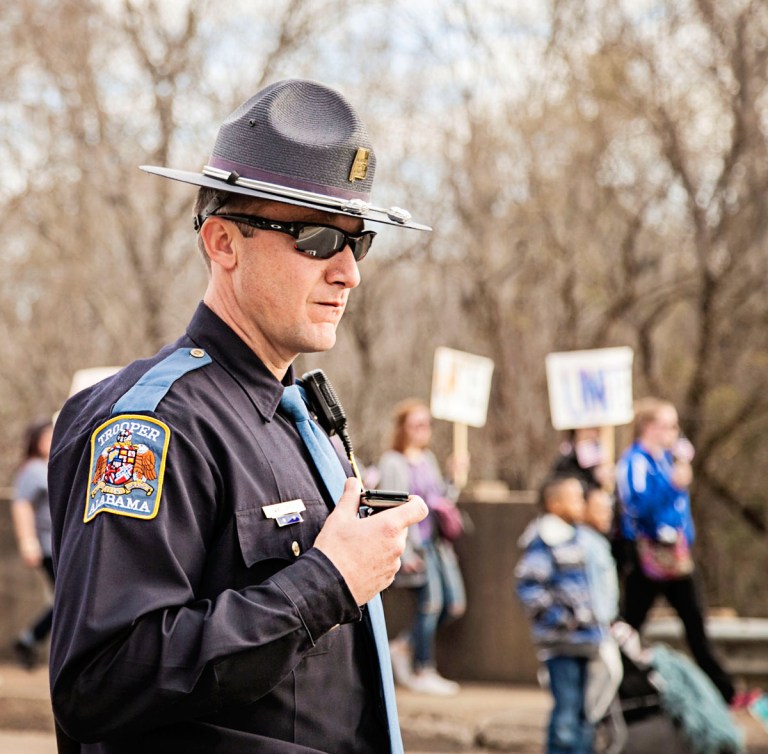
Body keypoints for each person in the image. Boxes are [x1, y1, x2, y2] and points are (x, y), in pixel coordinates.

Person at [47, 79, 430, 753]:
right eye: (315, 238)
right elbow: (99, 682)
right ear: (223, 243)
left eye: (357, 242)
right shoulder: (154, 425)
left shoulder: (303, 416)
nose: (349, 273)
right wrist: (326, 582)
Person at [615, 397, 735, 705]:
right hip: (648, 558)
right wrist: (671, 485)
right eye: (668, 426)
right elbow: (637, 506)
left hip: (677, 557)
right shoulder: (635, 462)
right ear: (649, 427)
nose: (673, 433)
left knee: (696, 624)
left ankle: (724, 691)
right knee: (629, 623)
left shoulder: (667, 460)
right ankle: (615, 683)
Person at [377, 399, 466, 696]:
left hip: (437, 546)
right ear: (403, 428)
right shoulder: (392, 462)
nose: (423, 431)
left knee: (453, 605)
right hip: (416, 546)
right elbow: (393, 507)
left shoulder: (428, 459)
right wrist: (407, 552)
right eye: (417, 425)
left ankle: (403, 646)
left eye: (426, 424)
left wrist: (454, 476)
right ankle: (422, 667)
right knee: (431, 604)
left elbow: (440, 501)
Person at [516, 475, 602, 754]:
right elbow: (530, 587)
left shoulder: (579, 538)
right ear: (554, 504)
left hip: (586, 640)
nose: (581, 503)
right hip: (561, 643)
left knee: (585, 708)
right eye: (574, 498)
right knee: (566, 709)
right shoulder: (544, 540)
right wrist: (562, 619)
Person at [10, 419, 54, 670]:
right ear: (35, 442)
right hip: (46, 546)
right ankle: (29, 639)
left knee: (64, 602)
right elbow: (21, 506)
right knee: (68, 601)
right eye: (46, 438)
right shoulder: (33, 470)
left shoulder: (52, 465)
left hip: (59, 546)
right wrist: (28, 542)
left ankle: (29, 640)